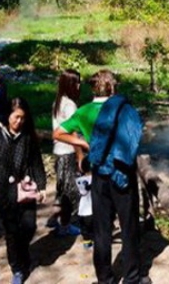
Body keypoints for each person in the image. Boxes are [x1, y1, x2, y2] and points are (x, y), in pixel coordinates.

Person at [52, 69, 144, 284]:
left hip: (99, 175)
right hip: (122, 175)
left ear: (93, 88)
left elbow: (58, 134)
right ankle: (132, 277)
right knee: (129, 226)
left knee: (102, 230)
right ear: (112, 87)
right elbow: (135, 137)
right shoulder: (124, 109)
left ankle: (105, 279)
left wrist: (84, 143)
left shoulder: (83, 111)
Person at [0, 97, 47, 284]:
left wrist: (41, 186)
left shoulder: (27, 136)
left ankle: (22, 255)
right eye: (16, 117)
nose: (19, 122)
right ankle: (17, 268)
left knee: (29, 226)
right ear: (8, 115)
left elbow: (36, 162)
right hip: (3, 193)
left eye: (23, 118)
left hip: (25, 191)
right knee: (12, 231)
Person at [48, 68, 81, 236]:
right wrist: (80, 156)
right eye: (77, 82)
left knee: (61, 187)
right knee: (71, 191)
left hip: (58, 151)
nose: (79, 85)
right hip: (67, 152)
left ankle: (55, 218)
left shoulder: (58, 102)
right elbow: (73, 133)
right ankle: (65, 225)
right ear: (70, 84)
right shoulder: (70, 105)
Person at [75, 157, 94, 249]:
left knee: (85, 229)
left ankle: (86, 243)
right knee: (94, 228)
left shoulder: (78, 180)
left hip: (81, 210)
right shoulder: (94, 179)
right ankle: (95, 242)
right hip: (91, 210)